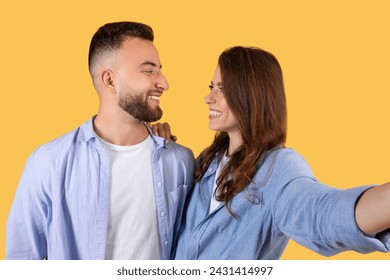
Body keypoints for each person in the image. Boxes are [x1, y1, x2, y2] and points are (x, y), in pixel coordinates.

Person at [173, 46, 390, 259]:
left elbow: (323, 215)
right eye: (212, 87)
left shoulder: (279, 169)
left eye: (222, 89)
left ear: (251, 95)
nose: (208, 98)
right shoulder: (208, 160)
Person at [6, 21, 195, 260]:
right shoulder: (48, 163)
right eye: (149, 71)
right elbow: (21, 261)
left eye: (159, 69)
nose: (164, 83)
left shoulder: (181, 161)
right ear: (109, 80)